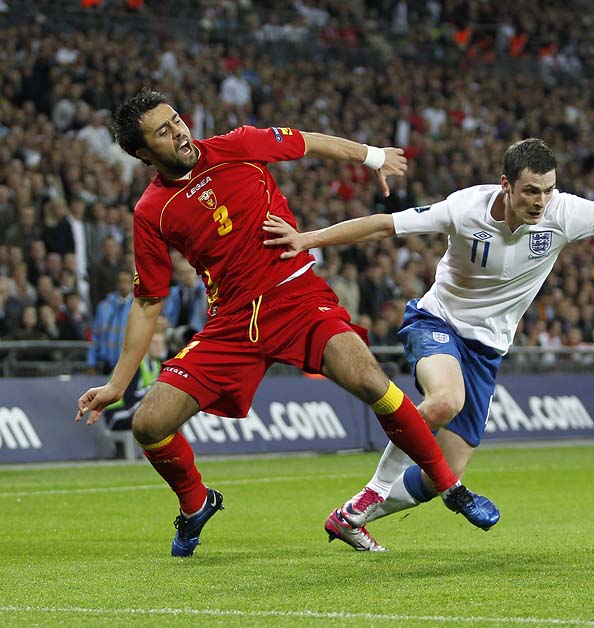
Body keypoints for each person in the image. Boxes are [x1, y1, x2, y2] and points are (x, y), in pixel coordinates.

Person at [262, 137, 594, 551]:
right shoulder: (465, 207)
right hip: (438, 321)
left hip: (488, 349)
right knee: (444, 400)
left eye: (548, 190)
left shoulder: (565, 213)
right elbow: (383, 226)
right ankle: (373, 489)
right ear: (506, 184)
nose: (541, 202)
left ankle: (351, 517)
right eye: (532, 191)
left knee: (448, 471)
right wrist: (309, 239)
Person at [74, 88, 498, 558]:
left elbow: (307, 142)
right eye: (162, 131)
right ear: (143, 153)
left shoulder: (238, 145)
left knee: (370, 381)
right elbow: (148, 302)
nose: (179, 132)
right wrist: (117, 384)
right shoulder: (151, 211)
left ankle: (451, 488)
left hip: (296, 298)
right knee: (149, 424)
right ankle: (195, 503)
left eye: (176, 119)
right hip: (232, 323)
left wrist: (373, 156)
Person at [86, 268, 134, 374]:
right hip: (106, 363)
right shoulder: (104, 307)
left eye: (126, 282)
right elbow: (95, 336)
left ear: (132, 284)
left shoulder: (137, 308)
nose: (123, 285)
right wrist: (91, 361)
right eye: (120, 281)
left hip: (130, 364)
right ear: (117, 284)